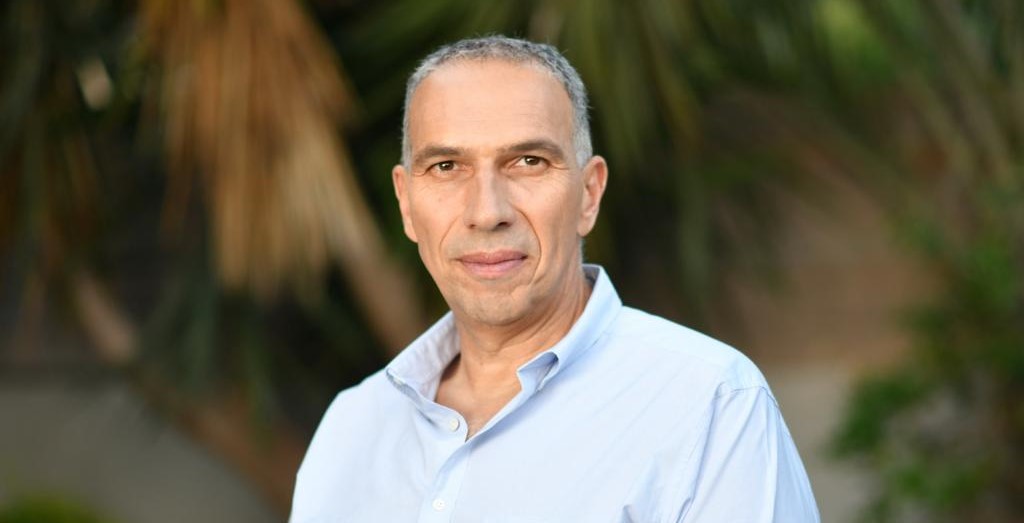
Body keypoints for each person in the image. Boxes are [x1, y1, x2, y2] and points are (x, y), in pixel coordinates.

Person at [290, 35, 819, 522]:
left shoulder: (711, 405)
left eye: (528, 161)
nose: (487, 212)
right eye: (447, 166)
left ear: (589, 194)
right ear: (407, 204)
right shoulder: (351, 430)